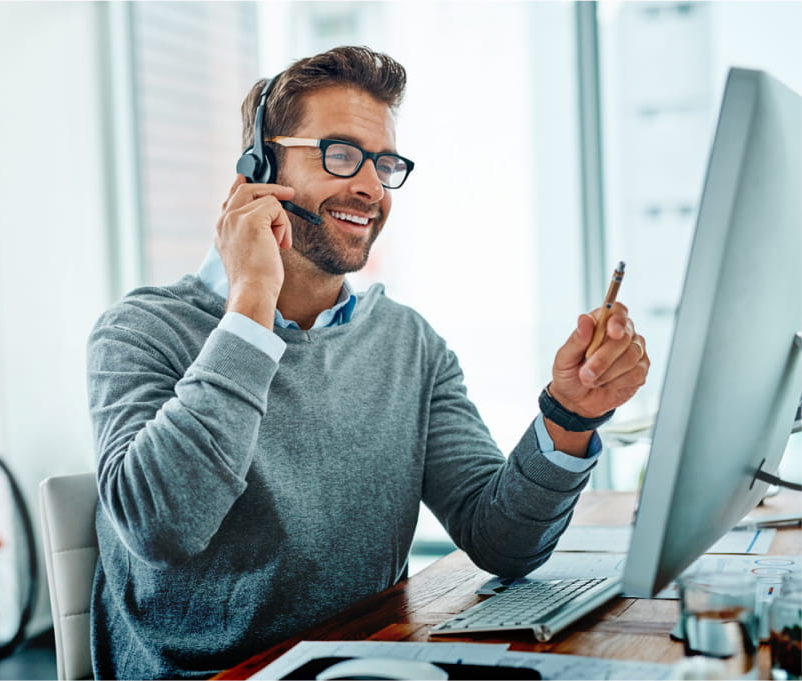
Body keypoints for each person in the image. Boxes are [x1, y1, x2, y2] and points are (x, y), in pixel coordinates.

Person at [84, 46, 651, 680]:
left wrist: (569, 414)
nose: (370, 188)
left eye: (384, 164)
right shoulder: (142, 330)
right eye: (341, 154)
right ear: (258, 167)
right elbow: (162, 529)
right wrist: (251, 306)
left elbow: (502, 542)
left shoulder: (408, 343)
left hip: (366, 664)